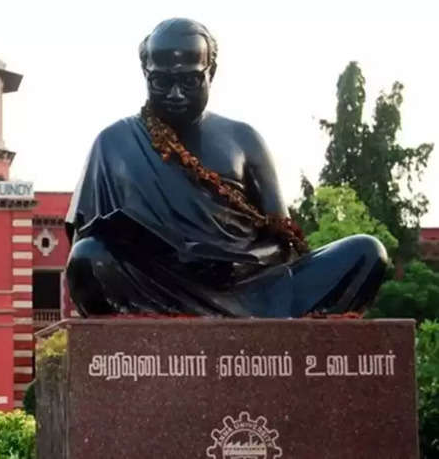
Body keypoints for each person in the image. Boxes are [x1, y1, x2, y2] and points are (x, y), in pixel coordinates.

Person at [65, 18, 387, 318]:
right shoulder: (114, 143)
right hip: (158, 284)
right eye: (161, 81)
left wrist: (235, 262)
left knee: (366, 252)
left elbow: (283, 239)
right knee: (86, 258)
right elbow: (85, 234)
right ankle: (163, 333)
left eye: (189, 81)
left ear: (212, 72)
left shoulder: (243, 139)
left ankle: (276, 333)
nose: (176, 94)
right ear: (145, 73)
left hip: (251, 285)